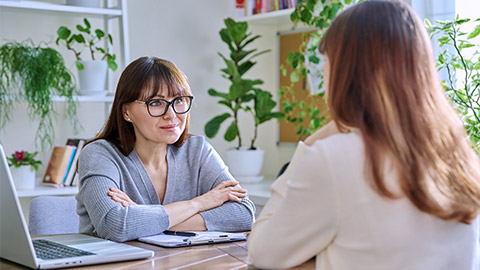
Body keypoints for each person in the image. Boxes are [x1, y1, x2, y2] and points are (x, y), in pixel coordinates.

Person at [247, 1, 480, 269]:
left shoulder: (334, 158)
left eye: (328, 62)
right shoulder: (461, 157)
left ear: (347, 72)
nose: (324, 74)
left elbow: (262, 253)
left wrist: (309, 144)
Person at [76, 57, 255, 242]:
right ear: (126, 112)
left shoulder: (198, 151)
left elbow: (244, 214)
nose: (172, 115)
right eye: (155, 103)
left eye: (179, 100)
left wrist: (141, 216)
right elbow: (114, 226)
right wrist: (197, 204)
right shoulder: (98, 154)